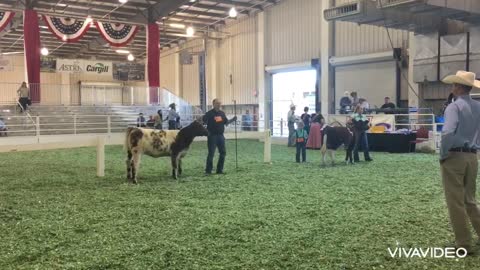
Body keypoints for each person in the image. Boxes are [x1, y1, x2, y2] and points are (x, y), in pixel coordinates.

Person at [440, 70, 480, 255]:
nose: (452, 87)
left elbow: (448, 132)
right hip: (473, 156)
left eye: (454, 84)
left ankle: (463, 244)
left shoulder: (453, 107)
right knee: (470, 200)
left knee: (455, 202)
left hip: (455, 156)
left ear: (457, 87)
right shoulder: (478, 106)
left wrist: (443, 154)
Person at [203, 98, 237, 175]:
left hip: (221, 136)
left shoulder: (222, 113)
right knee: (211, 153)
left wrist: (233, 119)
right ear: (213, 104)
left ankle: (219, 170)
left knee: (223, 152)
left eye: (220, 103)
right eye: (217, 103)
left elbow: (226, 122)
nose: (219, 104)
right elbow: (203, 121)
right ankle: (208, 171)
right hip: (212, 136)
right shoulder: (209, 113)